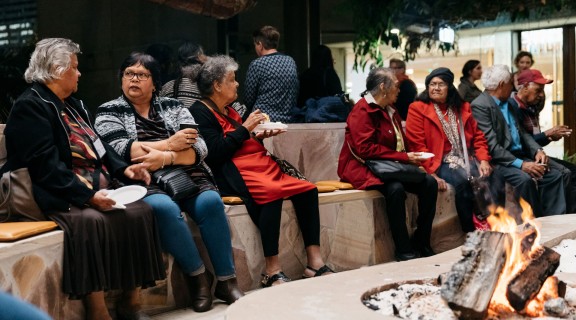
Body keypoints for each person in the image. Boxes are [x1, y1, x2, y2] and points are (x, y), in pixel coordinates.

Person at [2, 38, 165, 320]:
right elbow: (46, 168)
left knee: (140, 210)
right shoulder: (31, 106)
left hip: (91, 183)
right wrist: (87, 196)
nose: (80, 74)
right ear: (56, 69)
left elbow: (99, 145)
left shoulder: (74, 104)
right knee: (91, 220)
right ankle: (96, 307)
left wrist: (124, 170)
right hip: (54, 191)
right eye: (75, 68)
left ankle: (130, 299)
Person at [95, 52, 244, 312]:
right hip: (144, 179)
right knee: (163, 209)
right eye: (129, 73)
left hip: (187, 175)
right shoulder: (109, 111)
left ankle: (226, 280)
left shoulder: (174, 107)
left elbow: (199, 147)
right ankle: (198, 277)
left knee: (210, 202)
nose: (134, 79)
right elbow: (122, 150)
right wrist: (171, 144)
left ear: (155, 82)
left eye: (142, 75)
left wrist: (163, 157)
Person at [189, 55, 333, 287]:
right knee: (271, 192)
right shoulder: (199, 111)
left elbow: (241, 141)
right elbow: (215, 151)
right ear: (217, 85)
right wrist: (246, 129)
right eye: (232, 80)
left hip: (259, 166)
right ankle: (272, 270)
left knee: (308, 189)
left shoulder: (229, 109)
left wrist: (258, 135)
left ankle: (314, 262)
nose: (237, 84)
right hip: (232, 172)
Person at [337, 67, 438, 261]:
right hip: (365, 168)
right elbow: (364, 150)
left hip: (391, 166)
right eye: (396, 86)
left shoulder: (391, 109)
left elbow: (400, 142)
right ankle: (403, 249)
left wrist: (413, 159)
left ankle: (422, 242)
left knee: (429, 183)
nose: (399, 90)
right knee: (396, 189)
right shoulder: (363, 110)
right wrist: (405, 158)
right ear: (383, 87)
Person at [471, 65, 566, 217]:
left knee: (554, 175)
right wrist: (522, 165)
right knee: (525, 180)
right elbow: (493, 147)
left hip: (520, 155)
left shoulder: (508, 102)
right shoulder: (480, 105)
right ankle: (537, 223)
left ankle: (554, 219)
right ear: (502, 84)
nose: (513, 87)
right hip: (500, 161)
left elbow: (523, 133)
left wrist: (537, 150)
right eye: (510, 83)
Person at [406, 67, 493, 233]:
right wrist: (431, 173)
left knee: (491, 177)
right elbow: (417, 145)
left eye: (441, 84)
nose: (436, 88)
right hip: (440, 161)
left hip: (466, 158)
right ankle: (471, 233)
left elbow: (478, 137)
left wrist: (483, 160)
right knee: (462, 183)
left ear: (450, 88)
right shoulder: (417, 108)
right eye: (432, 84)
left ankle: (492, 225)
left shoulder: (462, 108)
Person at [511, 69, 575, 213]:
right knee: (563, 173)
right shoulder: (513, 107)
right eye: (538, 90)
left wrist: (549, 137)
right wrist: (546, 134)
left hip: (533, 154)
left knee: (571, 172)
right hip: (522, 157)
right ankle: (556, 219)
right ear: (525, 86)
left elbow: (534, 142)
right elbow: (522, 143)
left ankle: (569, 217)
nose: (541, 95)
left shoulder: (530, 107)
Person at [244, 25, 299, 123]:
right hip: (288, 120)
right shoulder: (290, 61)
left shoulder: (257, 64)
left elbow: (248, 98)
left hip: (263, 120)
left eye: (255, 45)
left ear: (260, 45)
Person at [160, 41, 206, 107]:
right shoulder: (206, 87)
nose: (206, 57)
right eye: (203, 54)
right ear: (199, 57)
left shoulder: (166, 87)